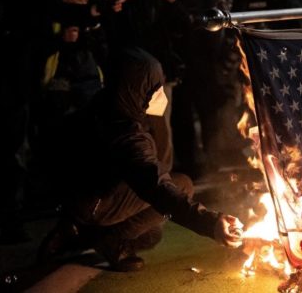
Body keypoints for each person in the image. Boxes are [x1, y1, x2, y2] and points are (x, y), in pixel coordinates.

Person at [37, 47, 243, 271]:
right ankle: (104, 238)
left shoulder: (106, 103)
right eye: (154, 87)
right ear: (137, 88)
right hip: (92, 203)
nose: (160, 93)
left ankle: (75, 229)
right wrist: (210, 222)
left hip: (78, 196)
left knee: (151, 235)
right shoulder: (127, 134)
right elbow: (157, 185)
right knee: (181, 185)